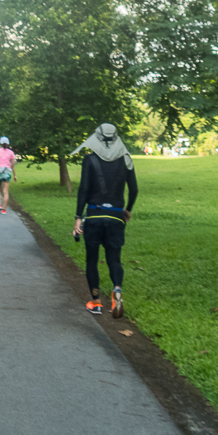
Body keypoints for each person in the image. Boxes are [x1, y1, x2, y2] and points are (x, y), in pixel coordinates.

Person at [71, 123, 137, 318]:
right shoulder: (126, 159)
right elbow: (134, 190)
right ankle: (117, 289)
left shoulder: (89, 160)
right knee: (114, 259)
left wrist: (77, 217)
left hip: (94, 216)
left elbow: (83, 189)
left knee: (92, 259)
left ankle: (96, 302)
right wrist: (127, 210)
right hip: (116, 216)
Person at [0, 136, 17, 214]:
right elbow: (12, 165)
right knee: (6, 192)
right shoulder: (11, 152)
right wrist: (14, 175)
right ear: (8, 144)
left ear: (0, 143)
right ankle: (4, 209)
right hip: (7, 173)